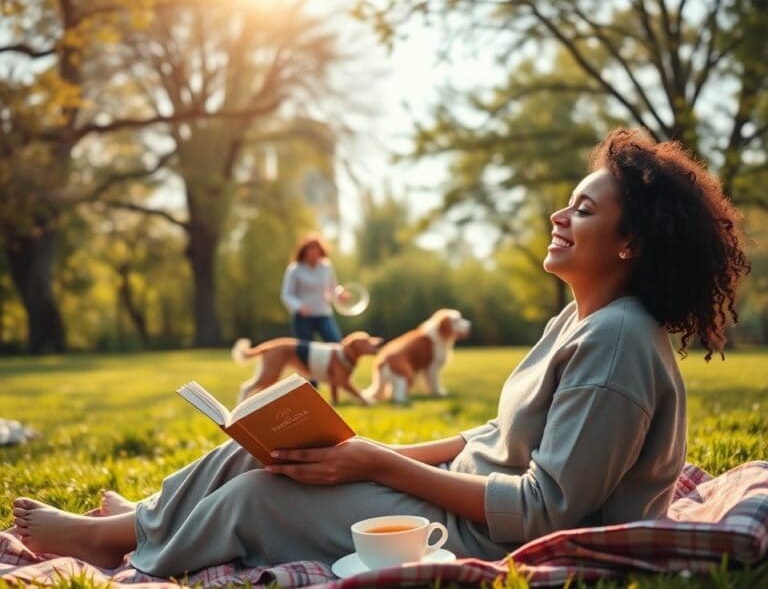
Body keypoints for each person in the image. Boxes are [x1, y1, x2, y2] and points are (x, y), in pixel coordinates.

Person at [11, 128, 750, 575]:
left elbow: (544, 514)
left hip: (484, 539)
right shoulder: (579, 322)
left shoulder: (618, 342)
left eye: (584, 210)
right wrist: (361, 445)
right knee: (257, 452)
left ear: (630, 243)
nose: (560, 214)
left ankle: (127, 545)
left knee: (263, 495)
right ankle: (136, 522)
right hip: (468, 503)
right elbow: (490, 440)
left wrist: (372, 463)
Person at [281, 232, 343, 345]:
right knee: (306, 350)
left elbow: (333, 288)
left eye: (316, 249)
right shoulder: (295, 269)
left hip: (323, 313)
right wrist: (299, 306)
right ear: (304, 251)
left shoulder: (326, 266)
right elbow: (287, 294)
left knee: (336, 344)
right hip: (303, 317)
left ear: (321, 251)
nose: (313, 252)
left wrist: (340, 294)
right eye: (310, 249)